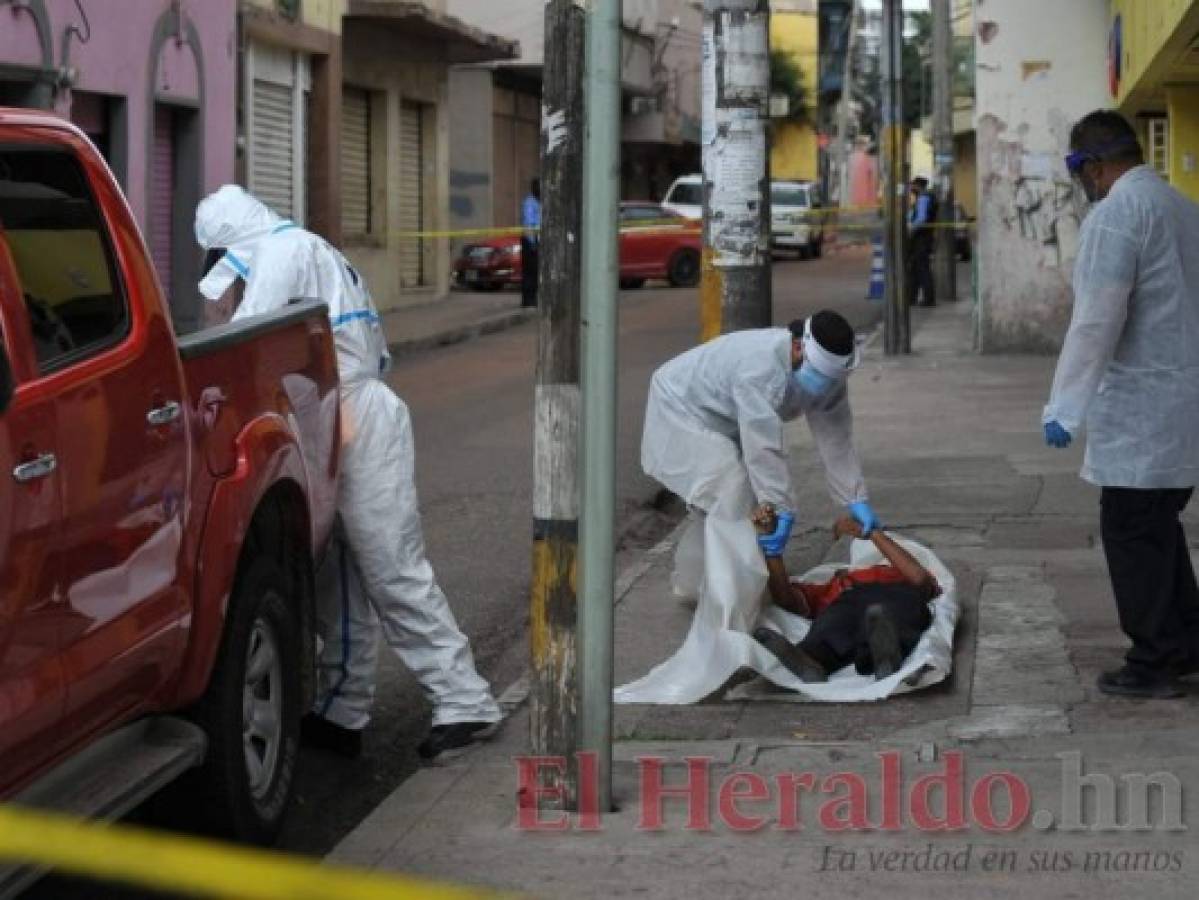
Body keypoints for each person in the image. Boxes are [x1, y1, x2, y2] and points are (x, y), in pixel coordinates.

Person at [194, 185, 502, 760]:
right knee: (340, 570)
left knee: (389, 566)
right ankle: (341, 709)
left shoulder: (282, 254)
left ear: (233, 247)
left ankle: (465, 700)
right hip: (335, 409)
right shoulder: (305, 247)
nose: (228, 284)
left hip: (351, 410)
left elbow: (243, 341)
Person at [1043, 109, 1199, 700]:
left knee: (1131, 529)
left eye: (1081, 171)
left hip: (1143, 405)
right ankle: (1185, 641)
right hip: (1181, 402)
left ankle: (1155, 658)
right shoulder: (1182, 207)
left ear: (1094, 166)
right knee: (1157, 524)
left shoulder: (1116, 216)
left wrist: (1064, 405)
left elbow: (1096, 320)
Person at [641, 311, 881, 573]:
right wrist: (781, 506)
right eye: (818, 374)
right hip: (680, 405)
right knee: (730, 486)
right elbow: (763, 446)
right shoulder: (759, 367)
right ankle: (723, 584)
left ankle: (712, 578)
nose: (823, 386)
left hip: (726, 415)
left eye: (830, 380)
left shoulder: (830, 378)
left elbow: (836, 437)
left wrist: (855, 497)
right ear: (798, 346)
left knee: (736, 500)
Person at [752, 511, 938, 682]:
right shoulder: (834, 585)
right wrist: (772, 550)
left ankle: (884, 659)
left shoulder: (892, 572)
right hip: (847, 603)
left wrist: (873, 533)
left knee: (890, 617)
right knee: (830, 626)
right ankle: (810, 660)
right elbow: (786, 600)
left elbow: (919, 579)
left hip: (893, 596)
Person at [907, 176, 937, 308]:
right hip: (922, 237)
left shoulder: (924, 198)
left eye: (913, 186)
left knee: (922, 268)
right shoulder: (923, 197)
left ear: (918, 185)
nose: (912, 189)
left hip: (921, 238)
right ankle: (911, 297)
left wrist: (910, 229)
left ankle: (928, 299)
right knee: (915, 268)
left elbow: (921, 219)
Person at [520, 178, 541, 308]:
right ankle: (528, 300)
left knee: (536, 271)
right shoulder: (530, 203)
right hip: (530, 241)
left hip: (538, 240)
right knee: (530, 271)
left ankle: (534, 298)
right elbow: (528, 223)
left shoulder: (540, 202)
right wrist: (533, 243)